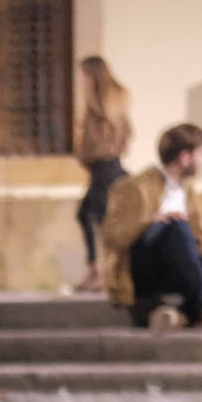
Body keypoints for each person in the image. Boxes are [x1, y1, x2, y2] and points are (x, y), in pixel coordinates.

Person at [101, 123, 202, 332]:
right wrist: (151, 221)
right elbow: (111, 237)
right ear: (185, 158)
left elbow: (193, 241)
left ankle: (178, 315)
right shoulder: (133, 186)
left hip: (182, 267)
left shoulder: (187, 189)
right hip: (146, 267)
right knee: (177, 224)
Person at [73, 57, 131, 292]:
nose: (78, 79)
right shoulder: (97, 103)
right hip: (100, 168)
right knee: (86, 215)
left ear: (91, 75)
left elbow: (111, 138)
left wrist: (87, 151)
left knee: (100, 220)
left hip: (107, 167)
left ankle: (104, 273)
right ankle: (97, 270)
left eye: (81, 75)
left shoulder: (107, 102)